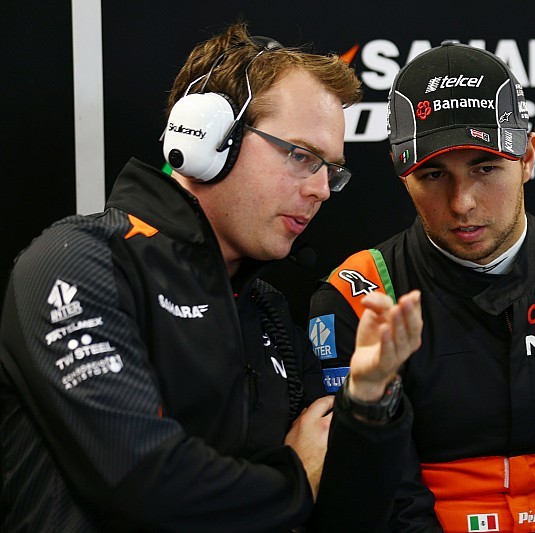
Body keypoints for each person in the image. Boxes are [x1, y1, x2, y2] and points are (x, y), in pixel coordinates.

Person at [0, 23, 423, 532]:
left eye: (330, 169)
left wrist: (371, 406)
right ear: (206, 137)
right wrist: (293, 479)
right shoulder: (77, 263)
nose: (321, 190)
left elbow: (347, 517)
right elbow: (144, 486)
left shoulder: (266, 311)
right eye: (301, 156)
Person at [309, 41, 535, 532]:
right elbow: (377, 499)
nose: (462, 203)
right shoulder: (360, 296)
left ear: (527, 156)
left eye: (485, 168)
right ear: (402, 174)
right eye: (433, 174)